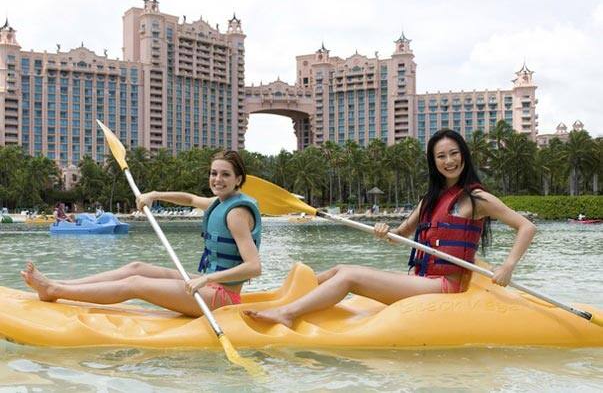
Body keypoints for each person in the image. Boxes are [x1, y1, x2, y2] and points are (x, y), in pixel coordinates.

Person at [245, 129, 536, 328]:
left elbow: (526, 227)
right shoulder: (431, 199)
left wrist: (508, 266)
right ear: (433, 162)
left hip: (445, 286)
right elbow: (401, 236)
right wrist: (386, 231)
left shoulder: (477, 198)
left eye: (454, 153)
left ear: (464, 155)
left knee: (350, 275)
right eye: (441, 156)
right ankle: (281, 297)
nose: (449, 161)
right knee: (337, 269)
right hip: (421, 278)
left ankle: (286, 313)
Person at [21, 151, 262, 317]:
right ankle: (61, 284)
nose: (217, 179)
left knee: (135, 284)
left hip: (223, 298)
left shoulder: (236, 214)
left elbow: (254, 267)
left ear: (238, 179)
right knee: (136, 267)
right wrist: (154, 194)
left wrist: (205, 279)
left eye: (225, 174)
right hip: (211, 286)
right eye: (213, 173)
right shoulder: (219, 202)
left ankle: (54, 291)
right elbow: (189, 198)